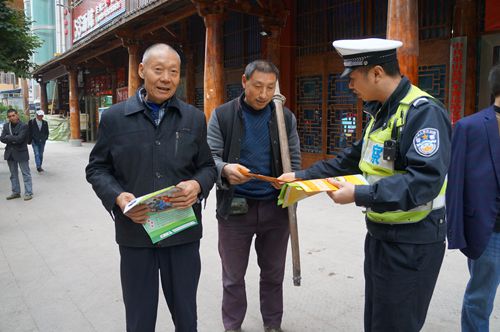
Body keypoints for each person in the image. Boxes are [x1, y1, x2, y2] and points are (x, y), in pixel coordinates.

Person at [279, 38, 451, 332]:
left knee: (396, 324)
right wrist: (302, 176)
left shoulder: (423, 112)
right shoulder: (381, 112)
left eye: (353, 78)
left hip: (413, 240)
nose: (350, 86)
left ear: (376, 73)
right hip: (382, 233)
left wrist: (359, 194)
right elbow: (349, 159)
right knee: (377, 320)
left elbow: (423, 182)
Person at [85, 43, 216, 332]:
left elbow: (207, 166)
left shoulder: (193, 118)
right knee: (140, 316)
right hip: (136, 233)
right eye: (158, 70)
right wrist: (118, 198)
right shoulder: (114, 118)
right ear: (142, 70)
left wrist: (197, 184)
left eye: (173, 71)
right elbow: (97, 168)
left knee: (186, 314)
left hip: (181, 231)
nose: (166, 78)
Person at [207, 60, 301, 332]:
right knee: (233, 276)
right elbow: (208, 158)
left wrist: (293, 180)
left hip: (276, 208)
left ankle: (273, 324)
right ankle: (232, 326)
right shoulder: (222, 116)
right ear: (244, 81)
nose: (263, 94)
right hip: (235, 209)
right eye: (258, 86)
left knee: (273, 273)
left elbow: (292, 159)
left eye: (270, 88)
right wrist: (224, 169)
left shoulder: (285, 118)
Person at [447, 64, 500, 332]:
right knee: (481, 298)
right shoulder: (471, 127)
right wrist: (456, 232)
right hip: (490, 231)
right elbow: (455, 183)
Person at [1, 108, 33, 201]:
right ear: (8, 118)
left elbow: (20, 139)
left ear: (17, 115)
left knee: (25, 173)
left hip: (21, 153)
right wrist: (12, 138)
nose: (12, 118)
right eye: (10, 116)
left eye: (13, 115)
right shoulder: (6, 126)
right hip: (10, 153)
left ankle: (28, 192)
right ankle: (15, 192)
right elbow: (2, 138)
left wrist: (9, 137)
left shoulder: (24, 126)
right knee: (13, 174)